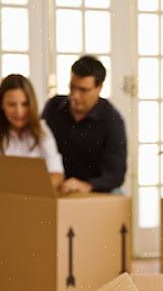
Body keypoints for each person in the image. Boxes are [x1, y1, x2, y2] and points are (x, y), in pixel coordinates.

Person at [0, 74, 64, 285]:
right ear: (1, 105)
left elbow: (56, 174)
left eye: (25, 104)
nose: (19, 111)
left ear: (32, 104)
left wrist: (28, 192)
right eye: (11, 104)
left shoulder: (41, 131)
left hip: (26, 216)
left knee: (19, 274)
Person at [42, 55, 127, 194]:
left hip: (93, 190)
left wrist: (88, 185)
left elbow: (116, 175)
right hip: (56, 186)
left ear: (99, 87)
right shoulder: (53, 107)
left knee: (118, 194)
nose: (75, 96)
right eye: (72, 87)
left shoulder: (113, 120)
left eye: (83, 90)